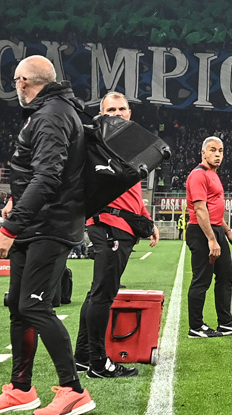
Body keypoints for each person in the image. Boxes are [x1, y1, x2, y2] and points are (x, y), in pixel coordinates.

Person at [0, 55, 94, 415]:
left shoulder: (51, 114)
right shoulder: (51, 111)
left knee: (33, 305)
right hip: (37, 223)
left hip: (50, 226)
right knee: (19, 306)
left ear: (23, 81)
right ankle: (21, 389)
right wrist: (18, 202)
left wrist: (8, 230)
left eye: (16, 81)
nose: (16, 87)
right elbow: (38, 173)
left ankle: (74, 390)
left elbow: (48, 177)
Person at [74, 92, 160, 377]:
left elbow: (132, 192)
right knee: (103, 295)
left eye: (122, 108)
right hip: (108, 224)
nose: (118, 113)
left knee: (97, 292)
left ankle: (83, 356)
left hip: (121, 226)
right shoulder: (94, 141)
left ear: (130, 113)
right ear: (101, 114)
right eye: (111, 109)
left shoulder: (129, 143)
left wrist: (147, 220)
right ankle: (98, 362)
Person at [186, 136, 232, 338]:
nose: (217, 155)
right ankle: (196, 327)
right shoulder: (198, 175)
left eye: (220, 151)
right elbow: (200, 210)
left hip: (216, 230)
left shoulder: (213, 175)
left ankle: (225, 322)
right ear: (203, 152)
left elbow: (214, 210)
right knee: (202, 279)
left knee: (225, 275)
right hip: (201, 232)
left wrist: (228, 232)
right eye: (213, 150)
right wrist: (211, 239)